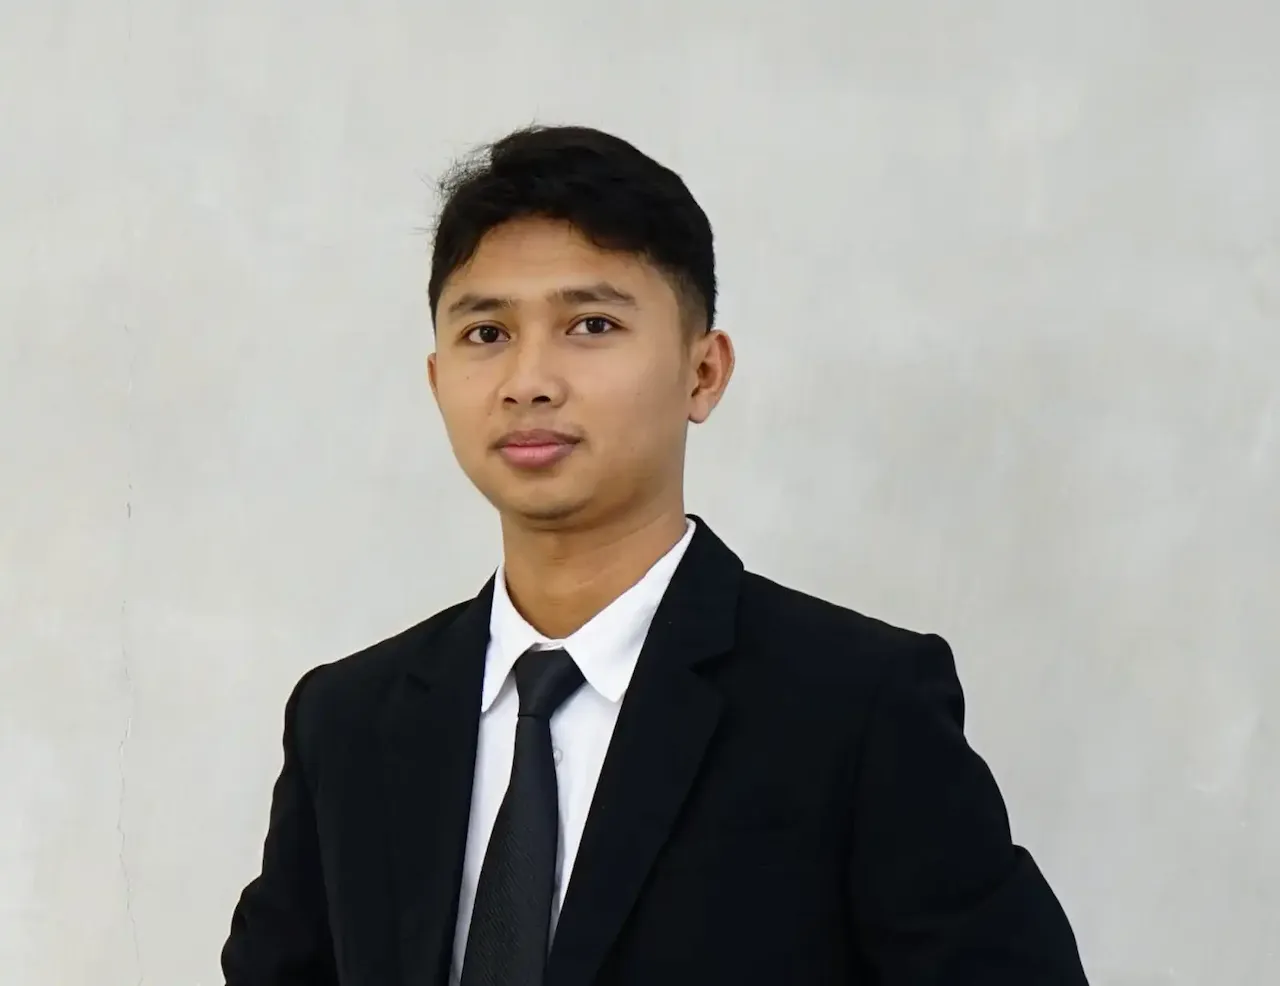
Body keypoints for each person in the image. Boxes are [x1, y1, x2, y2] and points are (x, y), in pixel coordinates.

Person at [221, 124, 1088, 986]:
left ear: (703, 373)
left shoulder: (857, 708)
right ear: (437, 378)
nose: (529, 382)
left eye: (590, 324)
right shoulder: (348, 723)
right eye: (486, 333)